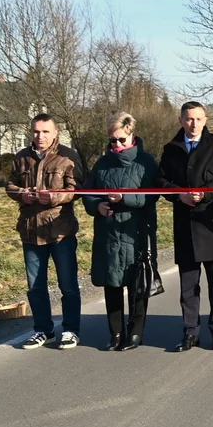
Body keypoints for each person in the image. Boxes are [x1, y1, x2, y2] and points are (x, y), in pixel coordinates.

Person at [157, 101, 213, 352]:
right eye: (189, 119)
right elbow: (161, 180)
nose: (194, 124)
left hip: (212, 223)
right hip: (185, 222)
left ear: (205, 120)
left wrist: (205, 194)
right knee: (188, 285)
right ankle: (190, 331)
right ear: (181, 120)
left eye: (198, 119)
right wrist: (179, 194)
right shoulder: (171, 148)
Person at [82, 112, 159, 351]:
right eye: (113, 141)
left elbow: (154, 194)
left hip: (137, 230)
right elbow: (88, 192)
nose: (117, 145)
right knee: (111, 282)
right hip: (108, 231)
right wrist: (97, 205)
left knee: (137, 283)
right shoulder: (102, 164)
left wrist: (125, 197)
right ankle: (115, 333)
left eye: (121, 140)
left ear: (132, 135)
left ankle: (136, 333)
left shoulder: (146, 162)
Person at [8, 114, 84, 350]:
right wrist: (23, 194)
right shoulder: (21, 157)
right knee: (36, 287)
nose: (40, 136)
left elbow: (78, 188)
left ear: (55, 133)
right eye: (36, 131)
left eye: (45, 132)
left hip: (61, 231)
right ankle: (43, 330)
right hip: (30, 230)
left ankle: (71, 330)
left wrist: (55, 196)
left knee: (68, 285)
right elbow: (9, 185)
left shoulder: (67, 156)